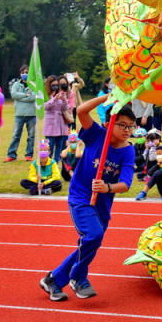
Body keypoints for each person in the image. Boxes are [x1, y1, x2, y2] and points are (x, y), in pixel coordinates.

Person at [39, 95, 136, 301]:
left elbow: (125, 185)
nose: (127, 130)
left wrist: (107, 187)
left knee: (89, 243)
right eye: (122, 125)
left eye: (131, 126)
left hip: (102, 204)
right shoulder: (96, 135)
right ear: (109, 123)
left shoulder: (128, 151)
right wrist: (107, 98)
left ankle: (53, 280)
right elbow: (81, 111)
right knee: (93, 236)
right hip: (81, 196)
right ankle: (77, 277)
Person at [6, 65, 37, 162]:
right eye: (23, 72)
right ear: (20, 74)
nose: (25, 74)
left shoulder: (34, 85)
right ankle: (11, 154)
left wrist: (22, 98)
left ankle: (29, 154)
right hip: (19, 114)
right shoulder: (16, 84)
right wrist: (26, 95)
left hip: (31, 114)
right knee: (16, 135)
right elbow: (14, 95)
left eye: (27, 72)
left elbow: (33, 97)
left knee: (31, 136)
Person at [43, 75, 71, 164]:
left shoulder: (60, 93)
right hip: (50, 123)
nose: (55, 86)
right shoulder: (45, 95)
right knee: (49, 145)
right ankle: (47, 162)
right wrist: (54, 99)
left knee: (59, 145)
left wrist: (63, 99)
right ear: (49, 85)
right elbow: (45, 107)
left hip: (61, 123)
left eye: (56, 84)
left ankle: (56, 162)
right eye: (53, 84)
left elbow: (65, 108)